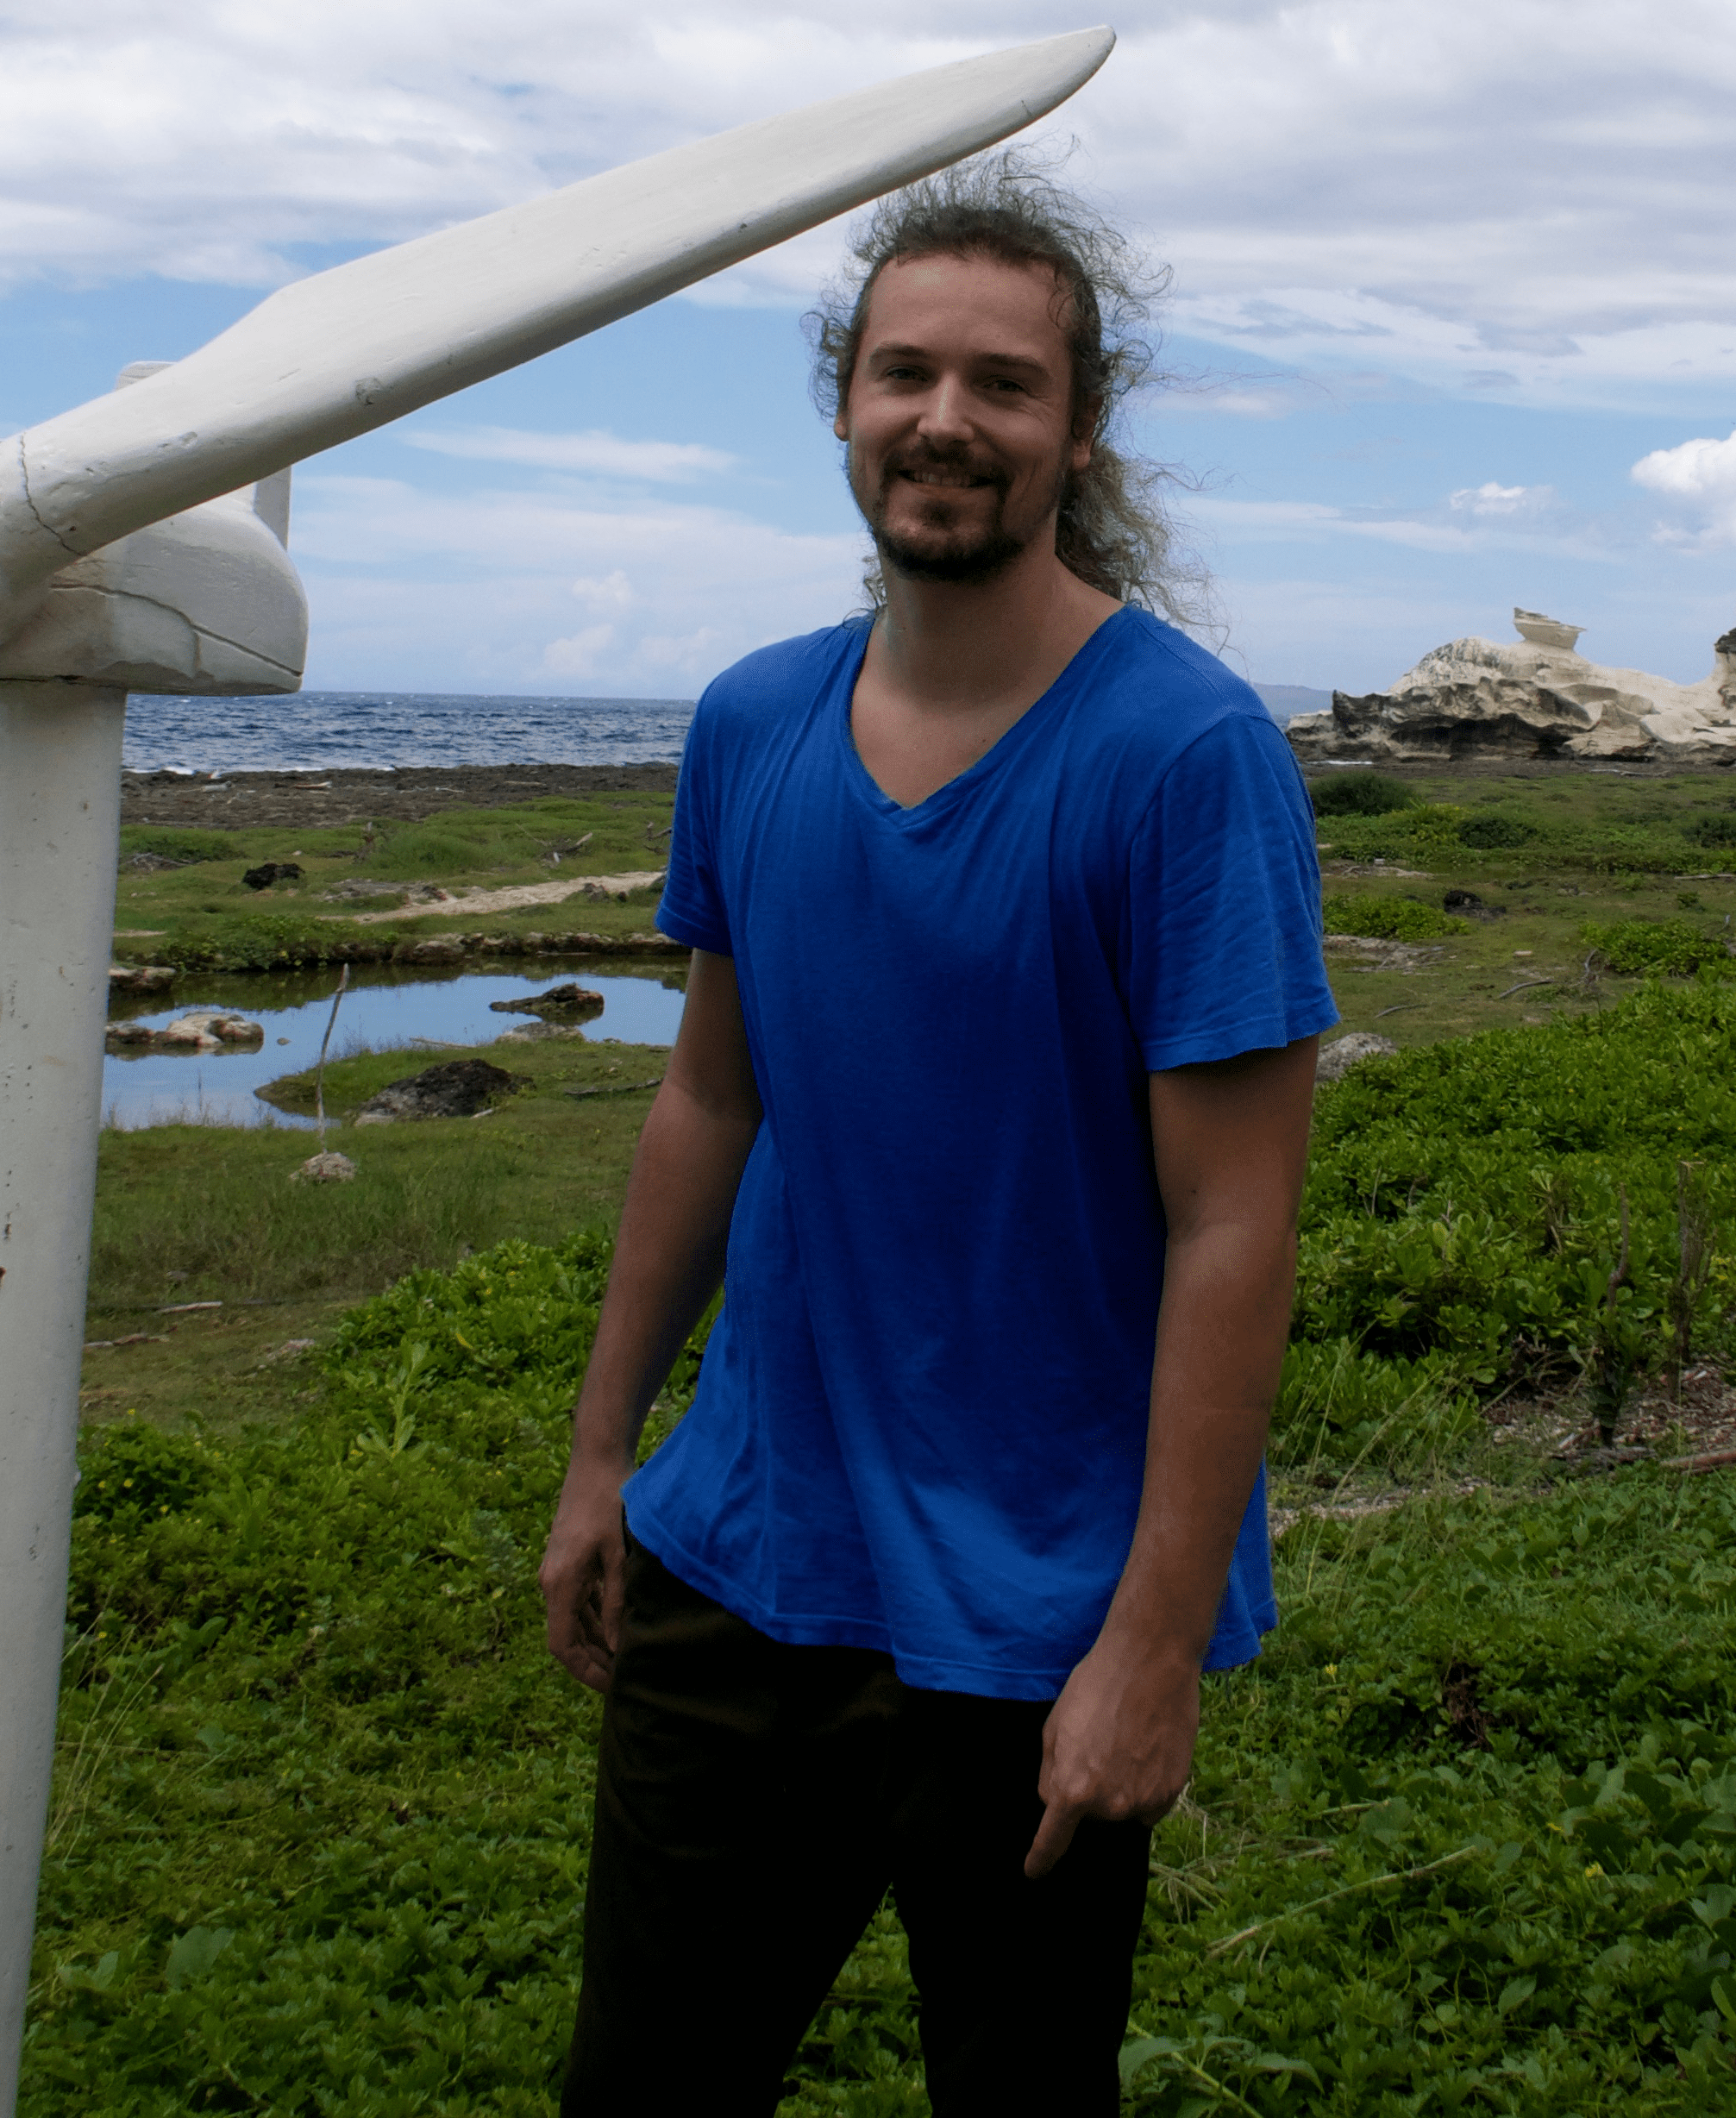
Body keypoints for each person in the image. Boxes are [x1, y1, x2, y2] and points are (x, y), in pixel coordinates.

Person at [536, 155, 1332, 2114]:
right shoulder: (754, 725)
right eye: (906, 374)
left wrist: (1152, 1643)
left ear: (1078, 429)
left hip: (1039, 1607)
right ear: (845, 404)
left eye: (1002, 384)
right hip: (743, 1554)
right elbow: (712, 1099)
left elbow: (1233, 1228)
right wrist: (598, 1457)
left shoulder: (1185, 758)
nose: (945, 422)